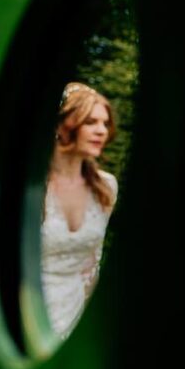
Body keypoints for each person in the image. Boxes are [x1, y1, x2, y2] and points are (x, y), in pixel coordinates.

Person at [39, 81, 120, 343]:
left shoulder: (106, 187)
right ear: (64, 126)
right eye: (91, 122)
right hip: (31, 310)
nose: (101, 131)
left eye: (105, 123)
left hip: (78, 313)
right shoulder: (34, 188)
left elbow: (93, 260)